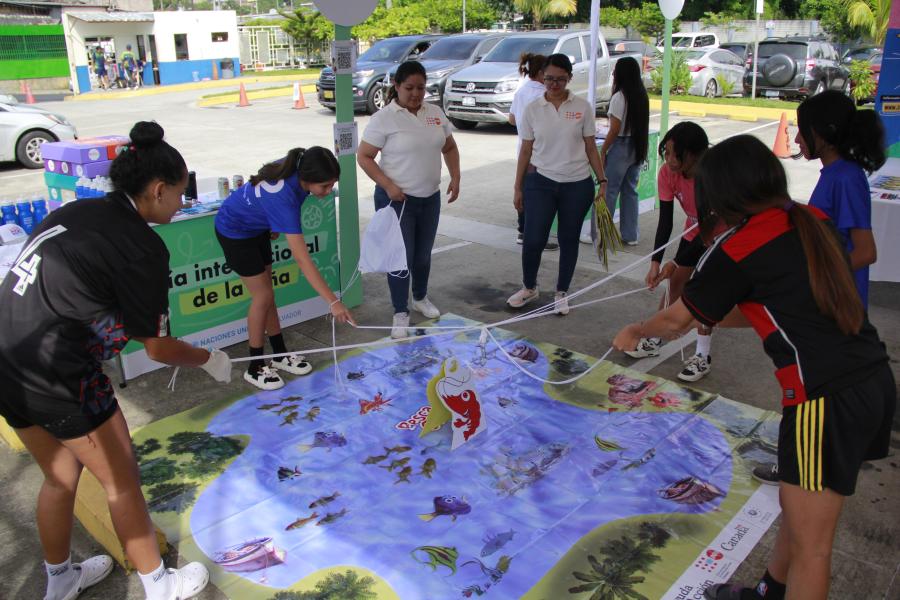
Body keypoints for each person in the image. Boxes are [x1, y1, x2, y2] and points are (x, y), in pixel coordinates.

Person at [613, 135, 894, 600]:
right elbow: (774, 308)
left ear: (721, 193)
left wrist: (637, 330)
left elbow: (678, 317)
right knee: (800, 506)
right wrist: (702, 311)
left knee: (814, 548)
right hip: (871, 381)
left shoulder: (742, 244)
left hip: (824, 400)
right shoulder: (808, 219)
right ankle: (769, 590)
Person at [0, 121, 228, 600]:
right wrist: (208, 357)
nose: (182, 204)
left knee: (60, 478)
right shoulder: (141, 247)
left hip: (7, 360)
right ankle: (159, 584)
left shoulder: (81, 210)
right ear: (158, 189)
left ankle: (61, 579)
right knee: (122, 482)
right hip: (58, 374)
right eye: (181, 195)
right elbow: (158, 347)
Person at [752, 90, 886, 487]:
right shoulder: (833, 174)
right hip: (824, 302)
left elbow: (865, 251)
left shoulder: (845, 178)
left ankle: (799, 464)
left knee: (808, 388)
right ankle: (804, 457)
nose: (796, 139)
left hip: (836, 307)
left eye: (802, 130)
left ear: (823, 133)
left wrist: (813, 274)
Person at [215, 147, 354, 390]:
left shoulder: (299, 167)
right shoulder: (285, 198)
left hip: (257, 230)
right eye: (325, 186)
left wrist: (272, 220)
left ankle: (279, 354)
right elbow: (303, 260)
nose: (329, 190)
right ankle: (255, 366)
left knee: (268, 294)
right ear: (307, 179)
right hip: (234, 232)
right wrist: (333, 302)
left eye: (332, 184)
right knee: (263, 296)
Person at [358, 60, 461, 339]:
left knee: (422, 255)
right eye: (409, 88)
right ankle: (400, 312)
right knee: (399, 258)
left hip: (430, 198)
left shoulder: (435, 113)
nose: (416, 94)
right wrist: (388, 185)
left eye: (421, 88)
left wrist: (455, 176)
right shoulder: (384, 118)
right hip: (398, 200)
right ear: (396, 85)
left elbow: (449, 147)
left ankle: (420, 297)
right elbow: (364, 157)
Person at [507, 53, 607, 316]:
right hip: (540, 181)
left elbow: (590, 147)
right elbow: (525, 151)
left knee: (569, 238)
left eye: (560, 80)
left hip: (577, 184)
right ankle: (529, 287)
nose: (553, 84)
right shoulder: (532, 109)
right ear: (542, 77)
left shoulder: (583, 107)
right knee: (533, 239)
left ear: (569, 79)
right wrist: (518, 187)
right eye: (549, 78)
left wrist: (602, 179)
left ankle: (561, 292)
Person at [627, 121, 721, 382]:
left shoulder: (712, 177)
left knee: (705, 292)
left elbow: (710, 230)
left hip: (720, 237)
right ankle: (656, 337)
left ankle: (703, 356)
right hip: (693, 232)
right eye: (665, 152)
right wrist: (657, 261)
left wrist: (676, 261)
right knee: (675, 282)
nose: (667, 159)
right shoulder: (668, 174)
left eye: (672, 153)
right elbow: (665, 221)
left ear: (692, 154)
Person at [509, 52, 558, 251]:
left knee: (524, 190)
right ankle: (536, 237)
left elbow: (511, 119)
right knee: (539, 196)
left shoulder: (521, 91)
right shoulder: (542, 95)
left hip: (523, 148)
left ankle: (523, 231)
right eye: (548, 74)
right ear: (540, 73)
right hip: (540, 152)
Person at [599, 56, 649, 246]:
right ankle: (630, 234)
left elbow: (614, 129)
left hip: (620, 146)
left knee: (609, 190)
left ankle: (603, 234)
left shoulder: (619, 97)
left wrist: (603, 150)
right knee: (630, 191)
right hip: (636, 146)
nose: (612, 73)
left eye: (615, 70)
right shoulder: (641, 95)